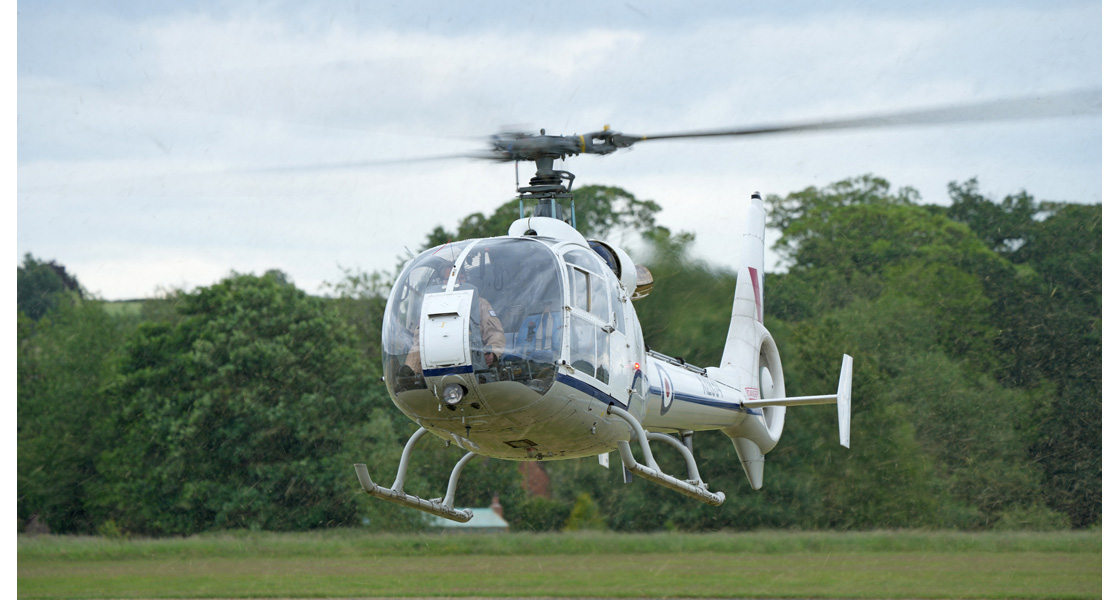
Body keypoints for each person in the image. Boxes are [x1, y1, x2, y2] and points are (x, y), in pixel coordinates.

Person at [404, 263, 506, 373]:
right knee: (416, 351)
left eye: (458, 279)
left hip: (471, 360)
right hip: (435, 361)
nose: (454, 283)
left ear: (464, 279)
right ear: (440, 282)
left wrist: (493, 354)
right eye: (448, 280)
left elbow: (495, 333)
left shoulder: (480, 304)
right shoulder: (430, 306)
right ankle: (408, 378)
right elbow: (419, 340)